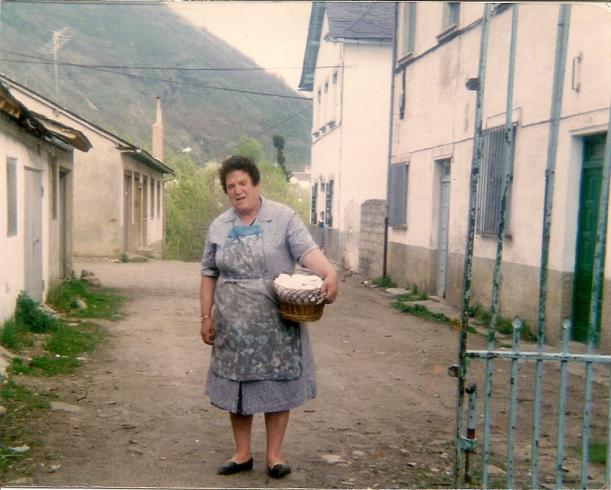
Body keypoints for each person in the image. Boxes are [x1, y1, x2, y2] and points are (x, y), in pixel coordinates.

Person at [200, 155, 338, 479]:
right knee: (237, 386)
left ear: (256, 183)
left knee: (277, 385)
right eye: (231, 186)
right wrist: (205, 316)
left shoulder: (284, 217)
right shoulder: (219, 226)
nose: (237, 190)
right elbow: (208, 273)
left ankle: (274, 457)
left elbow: (307, 252)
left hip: (275, 321)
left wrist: (329, 273)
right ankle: (242, 454)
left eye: (243, 183)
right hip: (232, 323)